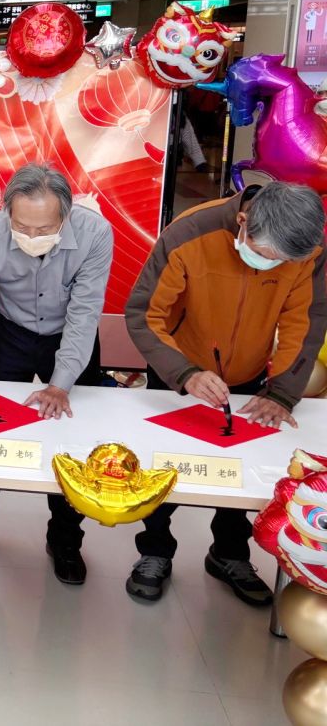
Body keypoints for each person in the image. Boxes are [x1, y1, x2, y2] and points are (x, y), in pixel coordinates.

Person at [124, 180, 327, 606]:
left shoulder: (309, 249)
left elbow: (304, 324)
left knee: (244, 468)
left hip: (250, 373)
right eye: (267, 255)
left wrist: (282, 393)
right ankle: (155, 551)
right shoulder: (190, 231)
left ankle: (230, 554)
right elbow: (145, 313)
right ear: (243, 222)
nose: (273, 266)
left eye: (283, 262)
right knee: (166, 463)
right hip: (180, 368)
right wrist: (184, 372)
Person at [0, 165, 114, 585]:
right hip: (11, 331)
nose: (32, 236)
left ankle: (65, 539)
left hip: (69, 335)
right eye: (21, 227)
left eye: (45, 228)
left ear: (66, 215)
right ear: (7, 212)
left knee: (71, 436)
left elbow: (84, 314)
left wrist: (60, 383)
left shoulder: (95, 234)